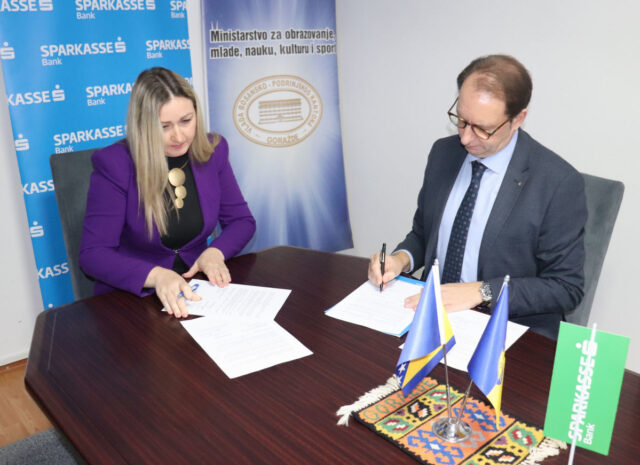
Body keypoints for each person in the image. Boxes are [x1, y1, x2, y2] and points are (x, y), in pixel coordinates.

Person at [368, 55, 587, 338]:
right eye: (461, 120)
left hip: (508, 330)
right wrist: (401, 259)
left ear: (518, 119)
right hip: (432, 316)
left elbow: (565, 287)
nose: (465, 138)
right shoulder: (444, 154)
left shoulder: (557, 182)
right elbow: (424, 234)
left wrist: (482, 292)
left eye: (482, 129)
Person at [79, 67, 256, 318]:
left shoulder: (213, 150)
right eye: (164, 126)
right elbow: (93, 255)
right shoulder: (115, 164)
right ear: (143, 126)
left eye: (186, 121)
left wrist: (214, 253)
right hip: (136, 299)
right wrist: (156, 276)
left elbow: (241, 221)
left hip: (198, 290)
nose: (178, 136)